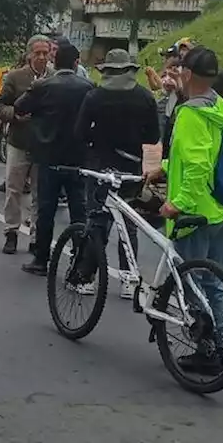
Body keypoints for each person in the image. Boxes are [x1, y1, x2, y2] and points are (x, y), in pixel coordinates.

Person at [145, 46, 223, 374]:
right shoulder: (221, 107)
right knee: (214, 279)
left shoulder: (190, 113)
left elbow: (197, 165)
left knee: (191, 281)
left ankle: (209, 347)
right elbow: (207, 155)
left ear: (186, 74)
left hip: (195, 212)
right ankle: (221, 342)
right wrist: (166, 167)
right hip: (221, 207)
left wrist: (176, 203)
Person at [76, 48, 159, 299]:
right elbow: (153, 136)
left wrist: (97, 139)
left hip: (100, 166)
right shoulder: (145, 97)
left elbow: (79, 132)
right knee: (129, 223)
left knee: (98, 220)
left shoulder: (94, 97)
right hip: (132, 167)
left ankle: (87, 277)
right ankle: (128, 280)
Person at [15, 39, 95, 277]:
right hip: (79, 158)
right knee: (79, 211)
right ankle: (80, 261)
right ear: (76, 62)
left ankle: (41, 259)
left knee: (46, 209)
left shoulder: (43, 85)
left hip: (48, 156)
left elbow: (20, 107)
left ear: (53, 61)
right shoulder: (88, 87)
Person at [0, 35, 52, 254]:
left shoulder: (54, 78)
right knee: (13, 189)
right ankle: (11, 232)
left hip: (44, 145)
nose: (41, 57)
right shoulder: (15, 77)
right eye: (37, 53)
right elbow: (0, 106)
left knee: (41, 194)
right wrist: (16, 116)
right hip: (19, 142)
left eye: (45, 53)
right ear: (29, 54)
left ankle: (36, 237)